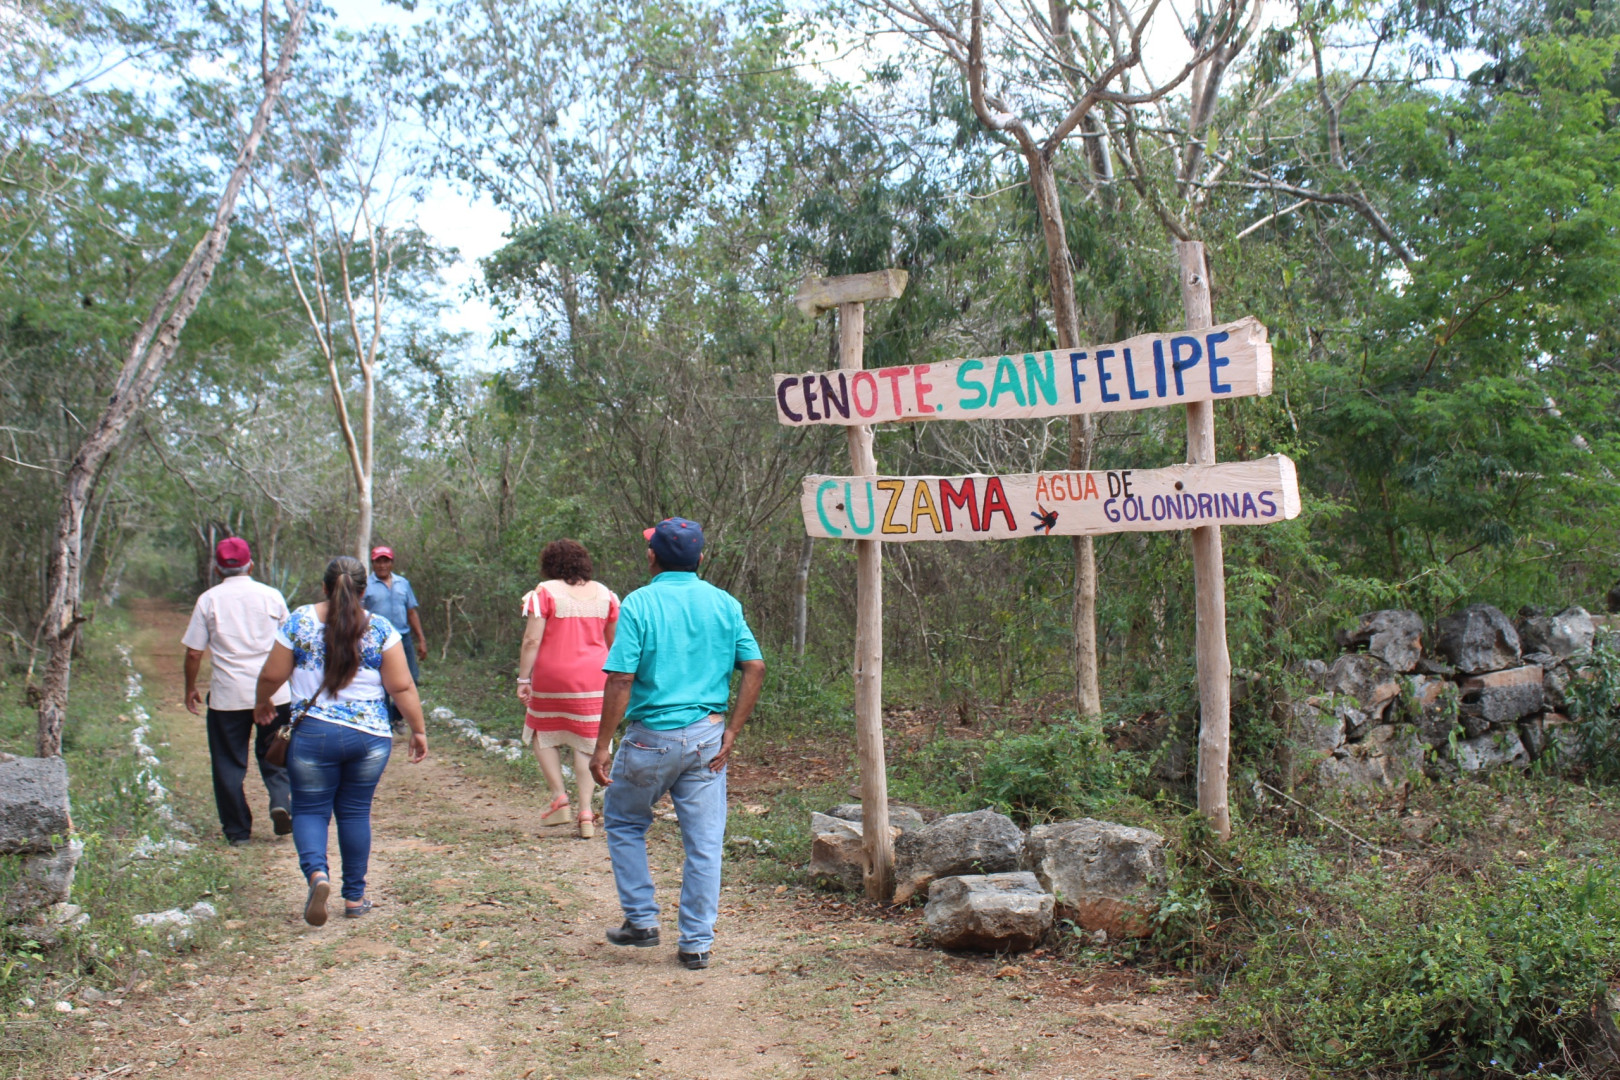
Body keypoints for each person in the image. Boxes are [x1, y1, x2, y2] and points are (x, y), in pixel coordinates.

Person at [590, 518, 766, 971]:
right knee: (704, 844)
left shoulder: (639, 603)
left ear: (652, 557)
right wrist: (732, 731)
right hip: (709, 738)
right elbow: (755, 666)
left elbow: (622, 678)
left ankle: (643, 920)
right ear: (701, 558)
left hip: (651, 739)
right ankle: (696, 944)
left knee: (625, 822)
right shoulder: (725, 604)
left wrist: (602, 745)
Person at [255, 556, 428, 926]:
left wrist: (262, 702)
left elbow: (271, 674)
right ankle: (355, 898)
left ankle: (318, 875)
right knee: (354, 812)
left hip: (313, 735)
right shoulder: (380, 628)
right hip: (369, 740)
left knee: (311, 810)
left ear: (324, 588)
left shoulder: (300, 620)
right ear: (365, 592)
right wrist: (418, 729)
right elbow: (400, 685)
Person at [181, 537, 293, 846]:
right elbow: (290, 645)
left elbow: (194, 653)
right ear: (251, 565)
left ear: (217, 569)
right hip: (274, 693)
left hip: (229, 696)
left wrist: (191, 687)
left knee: (228, 762)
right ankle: (280, 799)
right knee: (276, 750)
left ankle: (238, 831)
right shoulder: (272, 597)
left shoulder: (209, 600)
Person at [517, 539, 619, 839]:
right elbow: (614, 642)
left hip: (552, 676)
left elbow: (531, 640)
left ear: (550, 565)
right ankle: (586, 813)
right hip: (595, 678)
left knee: (541, 731)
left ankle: (559, 796)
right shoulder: (606, 595)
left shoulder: (545, 592)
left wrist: (524, 679)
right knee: (587, 741)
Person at [362, 545, 427, 732]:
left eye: (386, 561)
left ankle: (397, 716)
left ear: (391, 563)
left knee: (411, 678)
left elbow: (411, 612)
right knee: (380, 683)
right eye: (378, 561)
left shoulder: (403, 583)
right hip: (375, 641)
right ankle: (385, 722)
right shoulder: (366, 586)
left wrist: (421, 639)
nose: (382, 565)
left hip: (402, 638)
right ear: (373, 563)